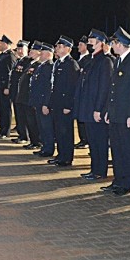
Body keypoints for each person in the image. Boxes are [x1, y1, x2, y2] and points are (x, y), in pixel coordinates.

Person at [101, 27, 130, 196]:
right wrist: (108, 110)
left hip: (127, 116)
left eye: (114, 43)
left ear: (121, 44)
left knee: (127, 150)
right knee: (117, 149)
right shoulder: (119, 60)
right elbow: (113, 90)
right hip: (116, 114)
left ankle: (126, 183)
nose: (112, 46)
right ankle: (117, 180)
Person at [77, 29, 112, 181]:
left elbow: (104, 88)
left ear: (100, 43)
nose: (89, 44)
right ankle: (94, 169)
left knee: (99, 141)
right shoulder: (92, 60)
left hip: (96, 109)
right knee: (93, 142)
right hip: (88, 108)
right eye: (89, 42)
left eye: (92, 42)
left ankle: (100, 170)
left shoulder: (105, 61)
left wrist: (99, 109)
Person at [47, 36, 80, 167]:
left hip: (65, 105)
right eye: (57, 47)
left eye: (60, 47)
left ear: (68, 49)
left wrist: (68, 105)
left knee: (66, 132)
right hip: (57, 103)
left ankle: (67, 157)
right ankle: (60, 155)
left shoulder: (71, 64)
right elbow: (54, 86)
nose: (56, 49)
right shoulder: (58, 63)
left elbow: (72, 87)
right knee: (59, 131)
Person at [29, 43, 55, 158]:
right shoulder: (42, 66)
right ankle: (44, 147)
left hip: (44, 102)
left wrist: (46, 104)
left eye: (43, 52)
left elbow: (48, 87)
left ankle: (48, 149)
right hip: (38, 101)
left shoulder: (49, 67)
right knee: (41, 126)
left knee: (46, 127)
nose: (41, 54)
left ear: (49, 54)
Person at [15, 42, 41, 149]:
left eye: (33, 51)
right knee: (28, 120)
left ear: (39, 53)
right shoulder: (31, 63)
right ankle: (32, 141)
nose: (30, 52)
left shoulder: (38, 65)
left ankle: (37, 142)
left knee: (33, 121)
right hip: (24, 97)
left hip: (29, 98)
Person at [0, 35, 15, 138]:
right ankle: (1, 129)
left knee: (6, 108)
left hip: (4, 86)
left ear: (6, 44)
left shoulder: (10, 56)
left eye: (1, 43)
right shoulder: (1, 56)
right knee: (1, 108)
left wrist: (8, 87)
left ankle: (6, 130)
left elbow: (10, 73)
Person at [8, 40, 31, 143]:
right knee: (18, 116)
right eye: (18, 49)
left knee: (23, 116)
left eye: (22, 49)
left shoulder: (28, 62)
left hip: (22, 94)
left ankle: (25, 136)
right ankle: (21, 135)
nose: (20, 51)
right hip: (15, 93)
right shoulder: (18, 61)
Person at [74, 35, 92, 149]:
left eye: (81, 45)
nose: (78, 47)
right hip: (78, 92)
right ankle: (82, 138)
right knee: (79, 117)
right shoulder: (79, 59)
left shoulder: (89, 59)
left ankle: (85, 139)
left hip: (84, 93)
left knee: (84, 118)